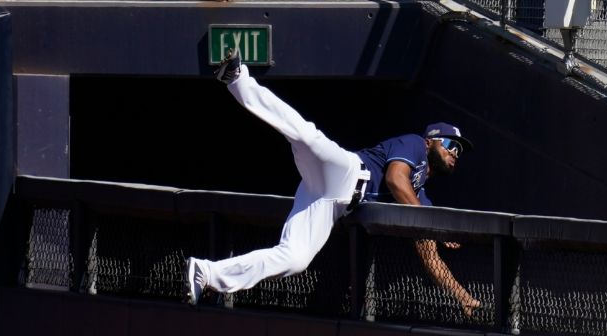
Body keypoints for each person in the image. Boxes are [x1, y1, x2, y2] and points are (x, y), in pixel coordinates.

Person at [186, 49, 480, 316]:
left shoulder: (420, 198)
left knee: (295, 259)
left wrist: (461, 295)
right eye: (450, 144)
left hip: (330, 205)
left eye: (460, 150)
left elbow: (428, 251)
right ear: (431, 142)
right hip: (346, 171)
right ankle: (238, 78)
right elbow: (394, 178)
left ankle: (207, 273)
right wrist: (430, 223)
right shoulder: (415, 145)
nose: (456, 152)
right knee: (304, 134)